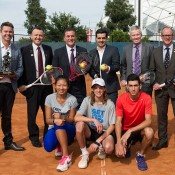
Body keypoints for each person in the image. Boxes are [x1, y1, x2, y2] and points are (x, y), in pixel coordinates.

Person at [18, 27, 53, 147]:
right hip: (31, 87)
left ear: (43, 36)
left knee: (48, 113)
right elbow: (20, 69)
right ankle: (34, 136)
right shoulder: (24, 50)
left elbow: (51, 68)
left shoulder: (48, 50)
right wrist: (20, 85)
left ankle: (48, 135)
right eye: (35, 35)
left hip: (46, 87)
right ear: (31, 36)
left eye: (40, 35)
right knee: (32, 114)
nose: (38, 37)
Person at [115, 74, 154, 171]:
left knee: (149, 132)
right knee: (120, 154)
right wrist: (119, 142)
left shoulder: (146, 98)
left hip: (138, 129)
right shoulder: (121, 99)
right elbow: (118, 122)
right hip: (125, 130)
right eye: (131, 86)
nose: (133, 89)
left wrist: (131, 131)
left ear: (140, 86)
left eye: (136, 85)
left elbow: (148, 121)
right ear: (127, 87)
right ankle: (126, 145)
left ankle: (140, 154)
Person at [75, 78, 116, 169]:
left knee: (109, 149)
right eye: (96, 88)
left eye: (101, 88)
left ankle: (101, 146)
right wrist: (93, 120)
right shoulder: (87, 100)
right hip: (91, 131)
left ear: (104, 89)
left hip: (105, 132)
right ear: (92, 89)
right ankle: (85, 153)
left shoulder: (110, 104)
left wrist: (97, 142)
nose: (98, 90)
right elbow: (76, 117)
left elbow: (112, 126)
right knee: (79, 124)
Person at [43, 75, 78, 172]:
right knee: (48, 147)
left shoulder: (73, 99)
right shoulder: (49, 98)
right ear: (55, 86)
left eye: (64, 85)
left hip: (69, 129)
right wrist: (55, 120)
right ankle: (59, 145)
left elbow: (71, 119)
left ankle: (66, 157)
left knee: (59, 123)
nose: (61, 88)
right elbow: (47, 120)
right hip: (55, 127)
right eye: (59, 85)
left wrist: (62, 118)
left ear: (68, 86)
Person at [0, 21, 24, 151]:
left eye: (10, 31)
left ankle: (8, 142)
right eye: (6, 31)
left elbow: (21, 67)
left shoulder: (16, 49)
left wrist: (15, 75)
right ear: (1, 32)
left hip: (10, 87)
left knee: (7, 115)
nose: (8, 34)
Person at [150, 26, 175, 150]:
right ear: (161, 36)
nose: (167, 37)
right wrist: (154, 82)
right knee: (161, 116)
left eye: (169, 35)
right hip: (160, 89)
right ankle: (163, 140)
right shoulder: (155, 51)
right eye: (165, 35)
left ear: (173, 36)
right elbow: (151, 70)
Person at [52, 28, 87, 108]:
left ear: (75, 37)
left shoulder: (83, 51)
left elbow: (86, 69)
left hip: (79, 88)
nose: (70, 38)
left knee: (80, 112)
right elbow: (55, 70)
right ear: (64, 38)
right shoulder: (58, 52)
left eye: (72, 36)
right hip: (63, 88)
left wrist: (85, 68)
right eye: (68, 36)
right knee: (63, 111)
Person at [89, 28, 120, 105]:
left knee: (112, 110)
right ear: (96, 39)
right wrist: (95, 76)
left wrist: (108, 68)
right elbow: (91, 68)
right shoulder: (91, 52)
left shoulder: (113, 50)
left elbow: (117, 66)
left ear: (106, 39)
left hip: (111, 87)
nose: (101, 40)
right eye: (99, 38)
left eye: (103, 38)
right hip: (97, 89)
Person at [120, 25, 154, 96]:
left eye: (138, 34)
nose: (136, 37)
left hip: (146, 85)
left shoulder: (150, 47)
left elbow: (153, 67)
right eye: (133, 35)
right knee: (131, 106)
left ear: (141, 35)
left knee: (145, 106)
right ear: (130, 37)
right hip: (130, 85)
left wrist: (146, 78)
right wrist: (123, 79)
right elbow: (123, 66)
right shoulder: (126, 49)